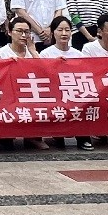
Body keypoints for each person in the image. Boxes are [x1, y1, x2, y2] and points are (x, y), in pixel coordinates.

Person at [41, 16, 95, 151]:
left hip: (74, 93)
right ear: (53, 32)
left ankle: (83, 137)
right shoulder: (45, 54)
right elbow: (43, 76)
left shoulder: (78, 54)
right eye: (60, 30)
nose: (64, 33)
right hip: (55, 93)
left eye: (67, 30)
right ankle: (57, 136)